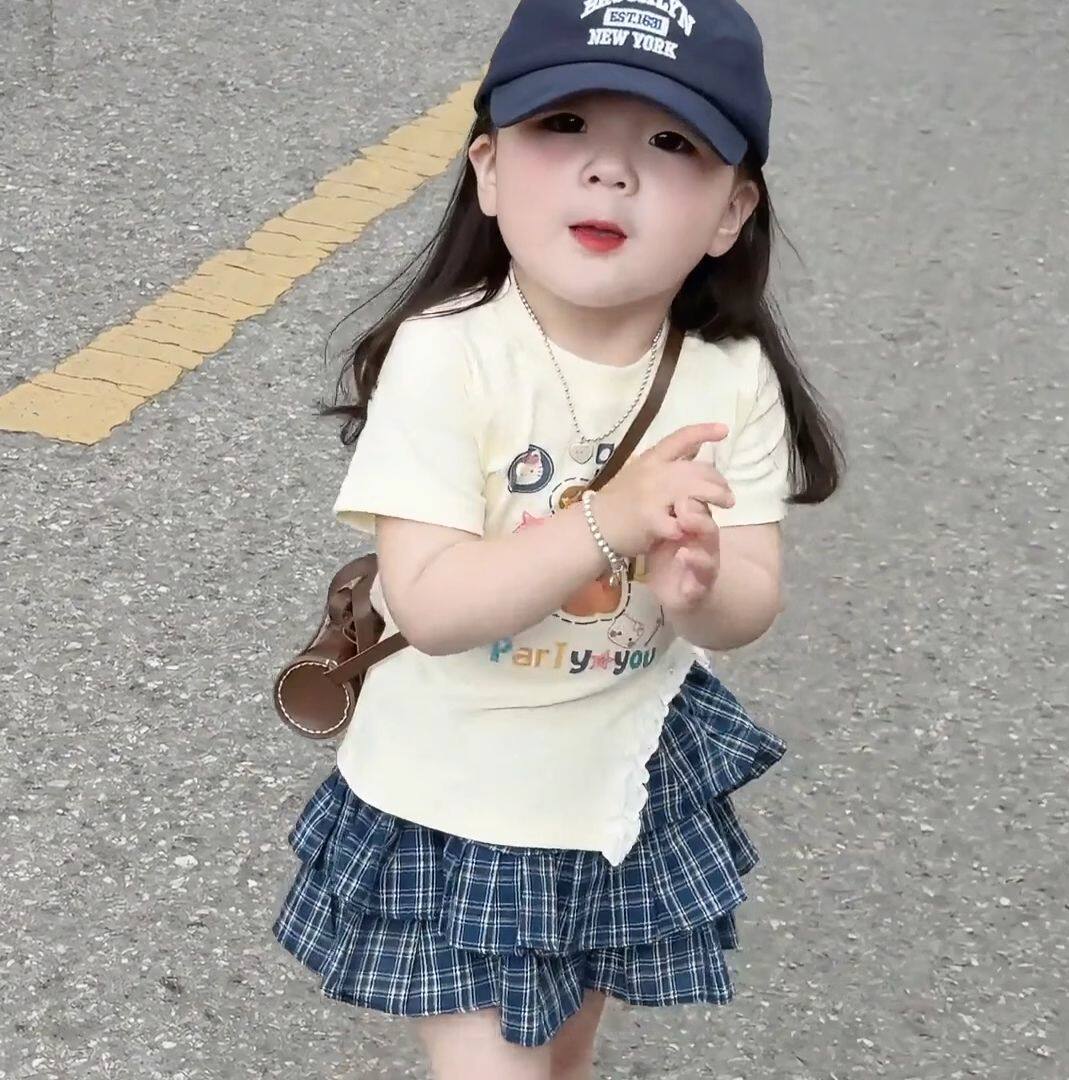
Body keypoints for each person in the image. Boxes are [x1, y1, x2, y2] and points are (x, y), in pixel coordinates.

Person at [273, 0, 843, 1076]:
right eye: (564, 125)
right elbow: (432, 606)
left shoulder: (731, 377)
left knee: (562, 1063)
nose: (609, 171)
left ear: (733, 209)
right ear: (488, 170)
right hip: (456, 802)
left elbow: (751, 598)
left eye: (670, 142)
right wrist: (610, 521)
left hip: (617, 790)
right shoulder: (447, 357)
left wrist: (701, 587)